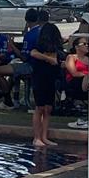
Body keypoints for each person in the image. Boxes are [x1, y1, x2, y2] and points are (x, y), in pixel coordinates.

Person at [28, 21, 63, 151]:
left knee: (48, 108)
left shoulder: (56, 49)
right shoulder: (40, 47)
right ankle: (37, 137)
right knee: (40, 107)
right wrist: (48, 59)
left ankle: (44, 136)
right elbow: (33, 53)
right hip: (40, 79)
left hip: (50, 79)